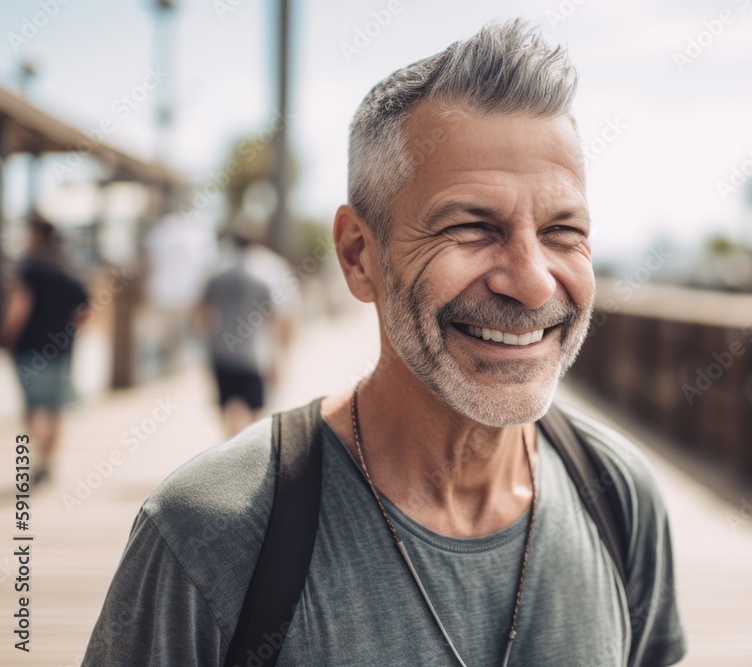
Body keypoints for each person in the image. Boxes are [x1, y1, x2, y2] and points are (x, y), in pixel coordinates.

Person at [84, 19, 686, 666]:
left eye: (563, 230)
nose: (534, 283)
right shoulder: (211, 533)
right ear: (358, 255)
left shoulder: (618, 496)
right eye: (471, 227)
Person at [1, 216, 89, 484]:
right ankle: (48, 460)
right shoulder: (69, 268)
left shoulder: (29, 267)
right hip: (61, 349)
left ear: (37, 235)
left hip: (28, 348)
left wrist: (6, 335)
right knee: (54, 408)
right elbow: (85, 311)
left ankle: (38, 459)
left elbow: (20, 304)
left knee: (32, 408)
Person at [199, 232, 291, 436]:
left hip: (222, 353)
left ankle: (229, 454)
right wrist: (277, 357)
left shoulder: (217, 278)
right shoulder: (260, 281)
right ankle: (249, 459)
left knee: (227, 409)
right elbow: (275, 321)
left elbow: (202, 314)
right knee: (256, 415)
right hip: (253, 356)